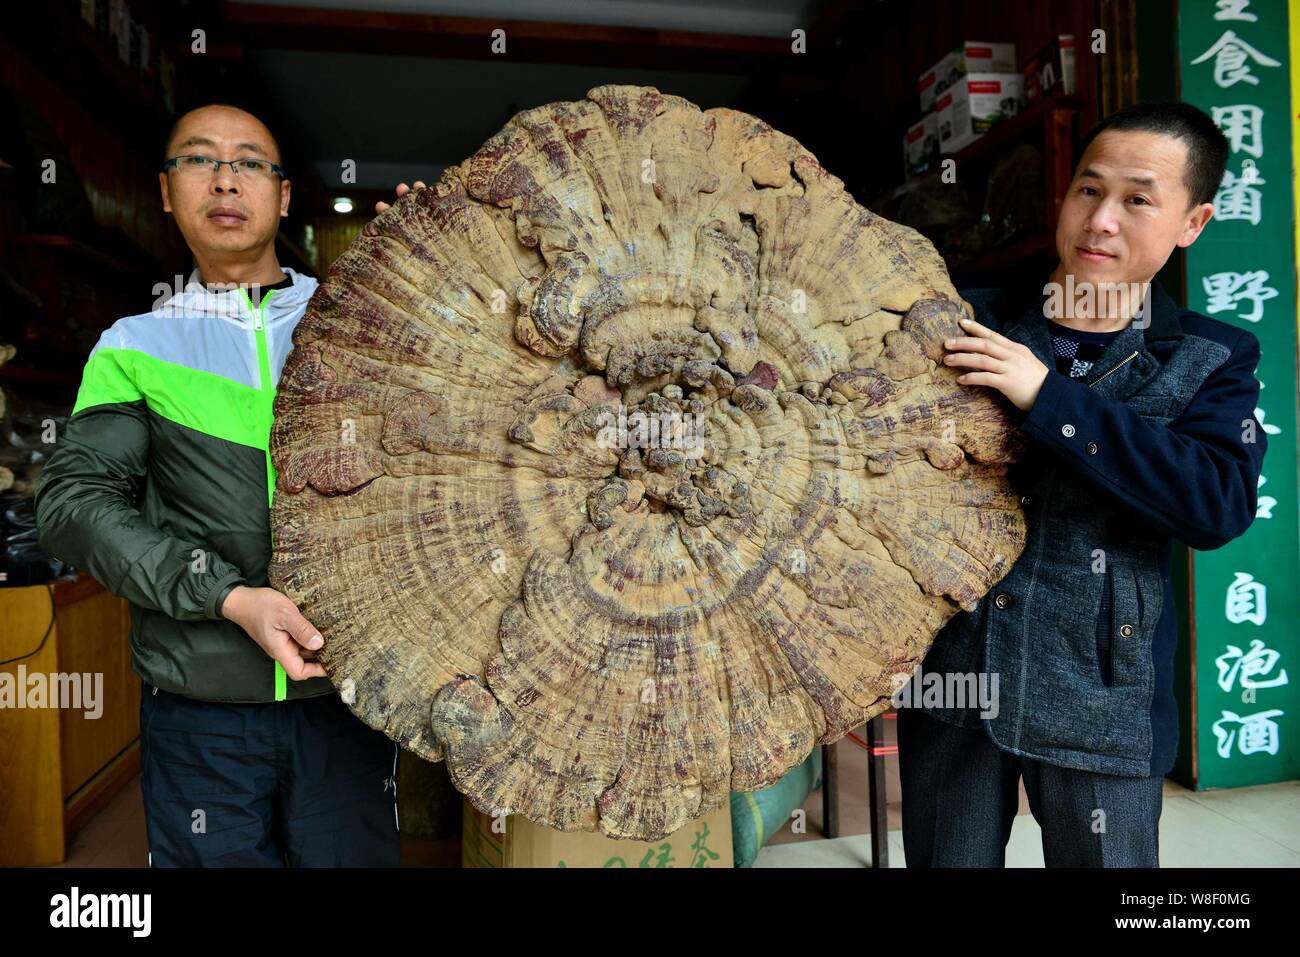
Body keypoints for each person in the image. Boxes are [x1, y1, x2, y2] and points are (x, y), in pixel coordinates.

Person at [34, 103, 408, 867]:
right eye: (200, 160)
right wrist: (228, 596)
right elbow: (73, 508)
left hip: (349, 698)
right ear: (166, 193)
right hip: (199, 715)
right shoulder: (133, 347)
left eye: (250, 162)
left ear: (283, 193)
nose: (226, 178)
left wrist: (437, 267)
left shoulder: (366, 322)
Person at [897, 100, 1267, 867]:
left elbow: (1214, 503)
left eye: (1138, 199)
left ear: (1191, 223)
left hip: (1103, 693)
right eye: (1088, 191)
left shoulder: (1210, 358)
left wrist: (1049, 398)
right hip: (956, 679)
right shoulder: (972, 319)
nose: (1101, 221)